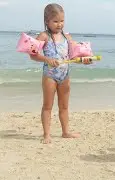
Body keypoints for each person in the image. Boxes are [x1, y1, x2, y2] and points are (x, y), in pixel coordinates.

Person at [29, 3, 91, 144]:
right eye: (55, 21)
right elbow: (32, 55)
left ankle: (65, 132)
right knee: (47, 106)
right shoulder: (44, 36)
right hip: (50, 75)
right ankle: (46, 135)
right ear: (47, 21)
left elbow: (74, 57)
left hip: (65, 75)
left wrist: (84, 60)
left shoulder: (67, 37)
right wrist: (47, 59)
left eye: (62, 21)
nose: (59, 24)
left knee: (64, 106)